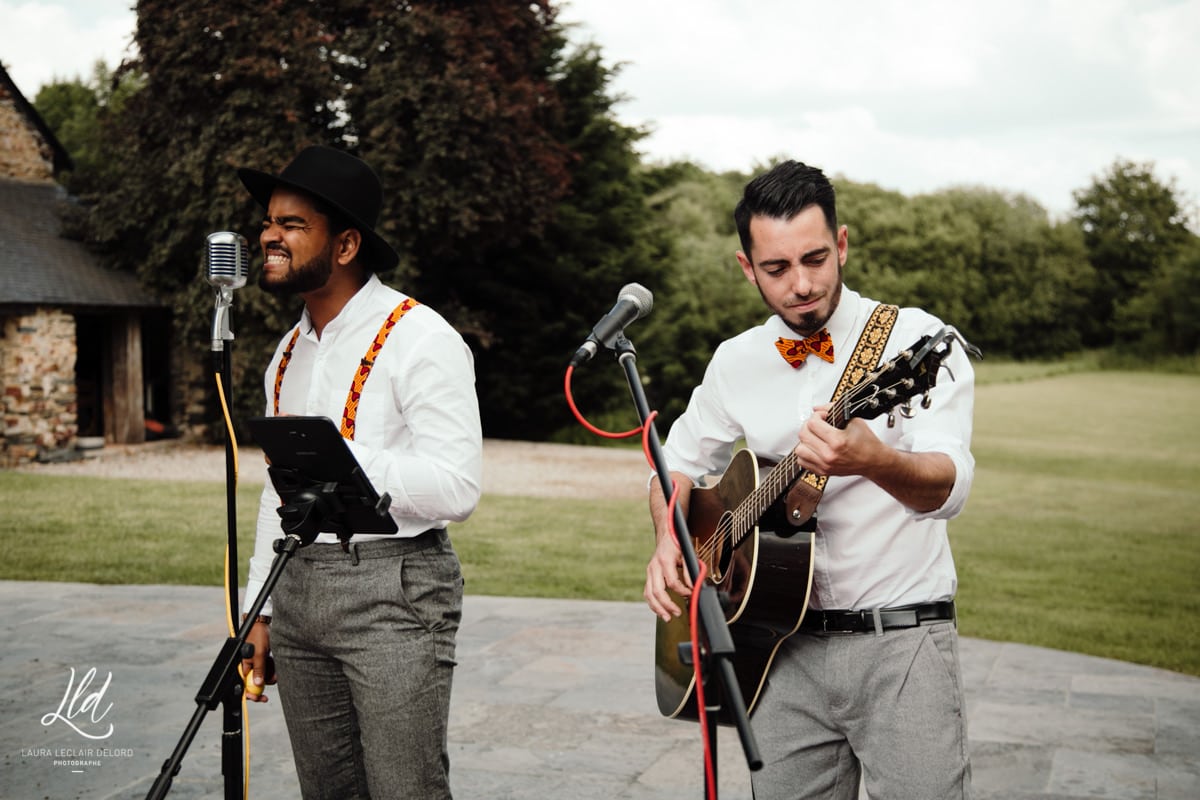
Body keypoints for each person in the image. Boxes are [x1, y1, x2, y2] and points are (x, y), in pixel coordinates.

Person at [643, 160, 976, 799]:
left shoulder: (916, 340)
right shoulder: (736, 360)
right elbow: (675, 463)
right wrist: (669, 537)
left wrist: (874, 460)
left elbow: (949, 485)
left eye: (816, 259)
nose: (802, 284)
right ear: (747, 268)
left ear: (842, 244)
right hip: (776, 649)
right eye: (776, 268)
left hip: (899, 643)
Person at [236, 145, 483, 799]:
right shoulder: (286, 354)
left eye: (291, 224)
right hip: (298, 591)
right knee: (328, 789)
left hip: (393, 592)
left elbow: (458, 485)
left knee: (405, 787)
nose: (268, 235)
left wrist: (340, 457)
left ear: (345, 245)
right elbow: (278, 490)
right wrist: (255, 610)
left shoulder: (420, 338)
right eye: (269, 221)